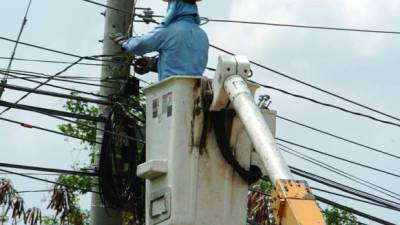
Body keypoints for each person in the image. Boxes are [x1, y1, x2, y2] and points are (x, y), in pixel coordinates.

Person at [110, 0, 209, 81]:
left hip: (171, 91)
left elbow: (139, 45)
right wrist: (154, 64)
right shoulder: (202, 34)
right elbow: (183, 61)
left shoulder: (169, 31)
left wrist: (124, 43)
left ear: (174, 7)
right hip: (195, 93)